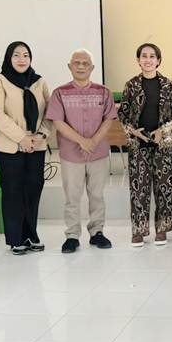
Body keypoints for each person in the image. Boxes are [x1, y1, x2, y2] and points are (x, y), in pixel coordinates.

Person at [44, 49, 117, 254]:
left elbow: (109, 119)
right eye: (77, 63)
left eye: (85, 63)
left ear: (92, 68)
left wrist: (93, 141)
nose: (81, 66)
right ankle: (72, 235)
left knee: (97, 195)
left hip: (98, 152)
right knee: (72, 196)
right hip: (71, 154)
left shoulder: (103, 92)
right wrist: (82, 141)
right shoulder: (60, 93)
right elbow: (58, 122)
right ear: (70, 66)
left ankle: (97, 232)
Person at [0, 41, 52, 255]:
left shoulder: (39, 82)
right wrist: (21, 138)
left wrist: (40, 135)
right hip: (8, 147)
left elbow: (50, 113)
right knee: (13, 191)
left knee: (33, 189)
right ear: (9, 58)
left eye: (26, 55)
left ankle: (31, 235)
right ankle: (16, 238)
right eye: (16, 55)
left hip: (37, 145)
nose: (22, 59)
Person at [118, 43, 172, 247]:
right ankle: (138, 231)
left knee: (164, 188)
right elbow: (123, 113)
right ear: (138, 60)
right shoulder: (131, 85)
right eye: (143, 56)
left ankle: (162, 229)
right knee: (139, 189)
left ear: (158, 60)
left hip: (163, 144)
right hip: (138, 144)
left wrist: (162, 130)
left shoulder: (168, 84)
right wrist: (132, 131)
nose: (148, 59)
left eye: (152, 56)